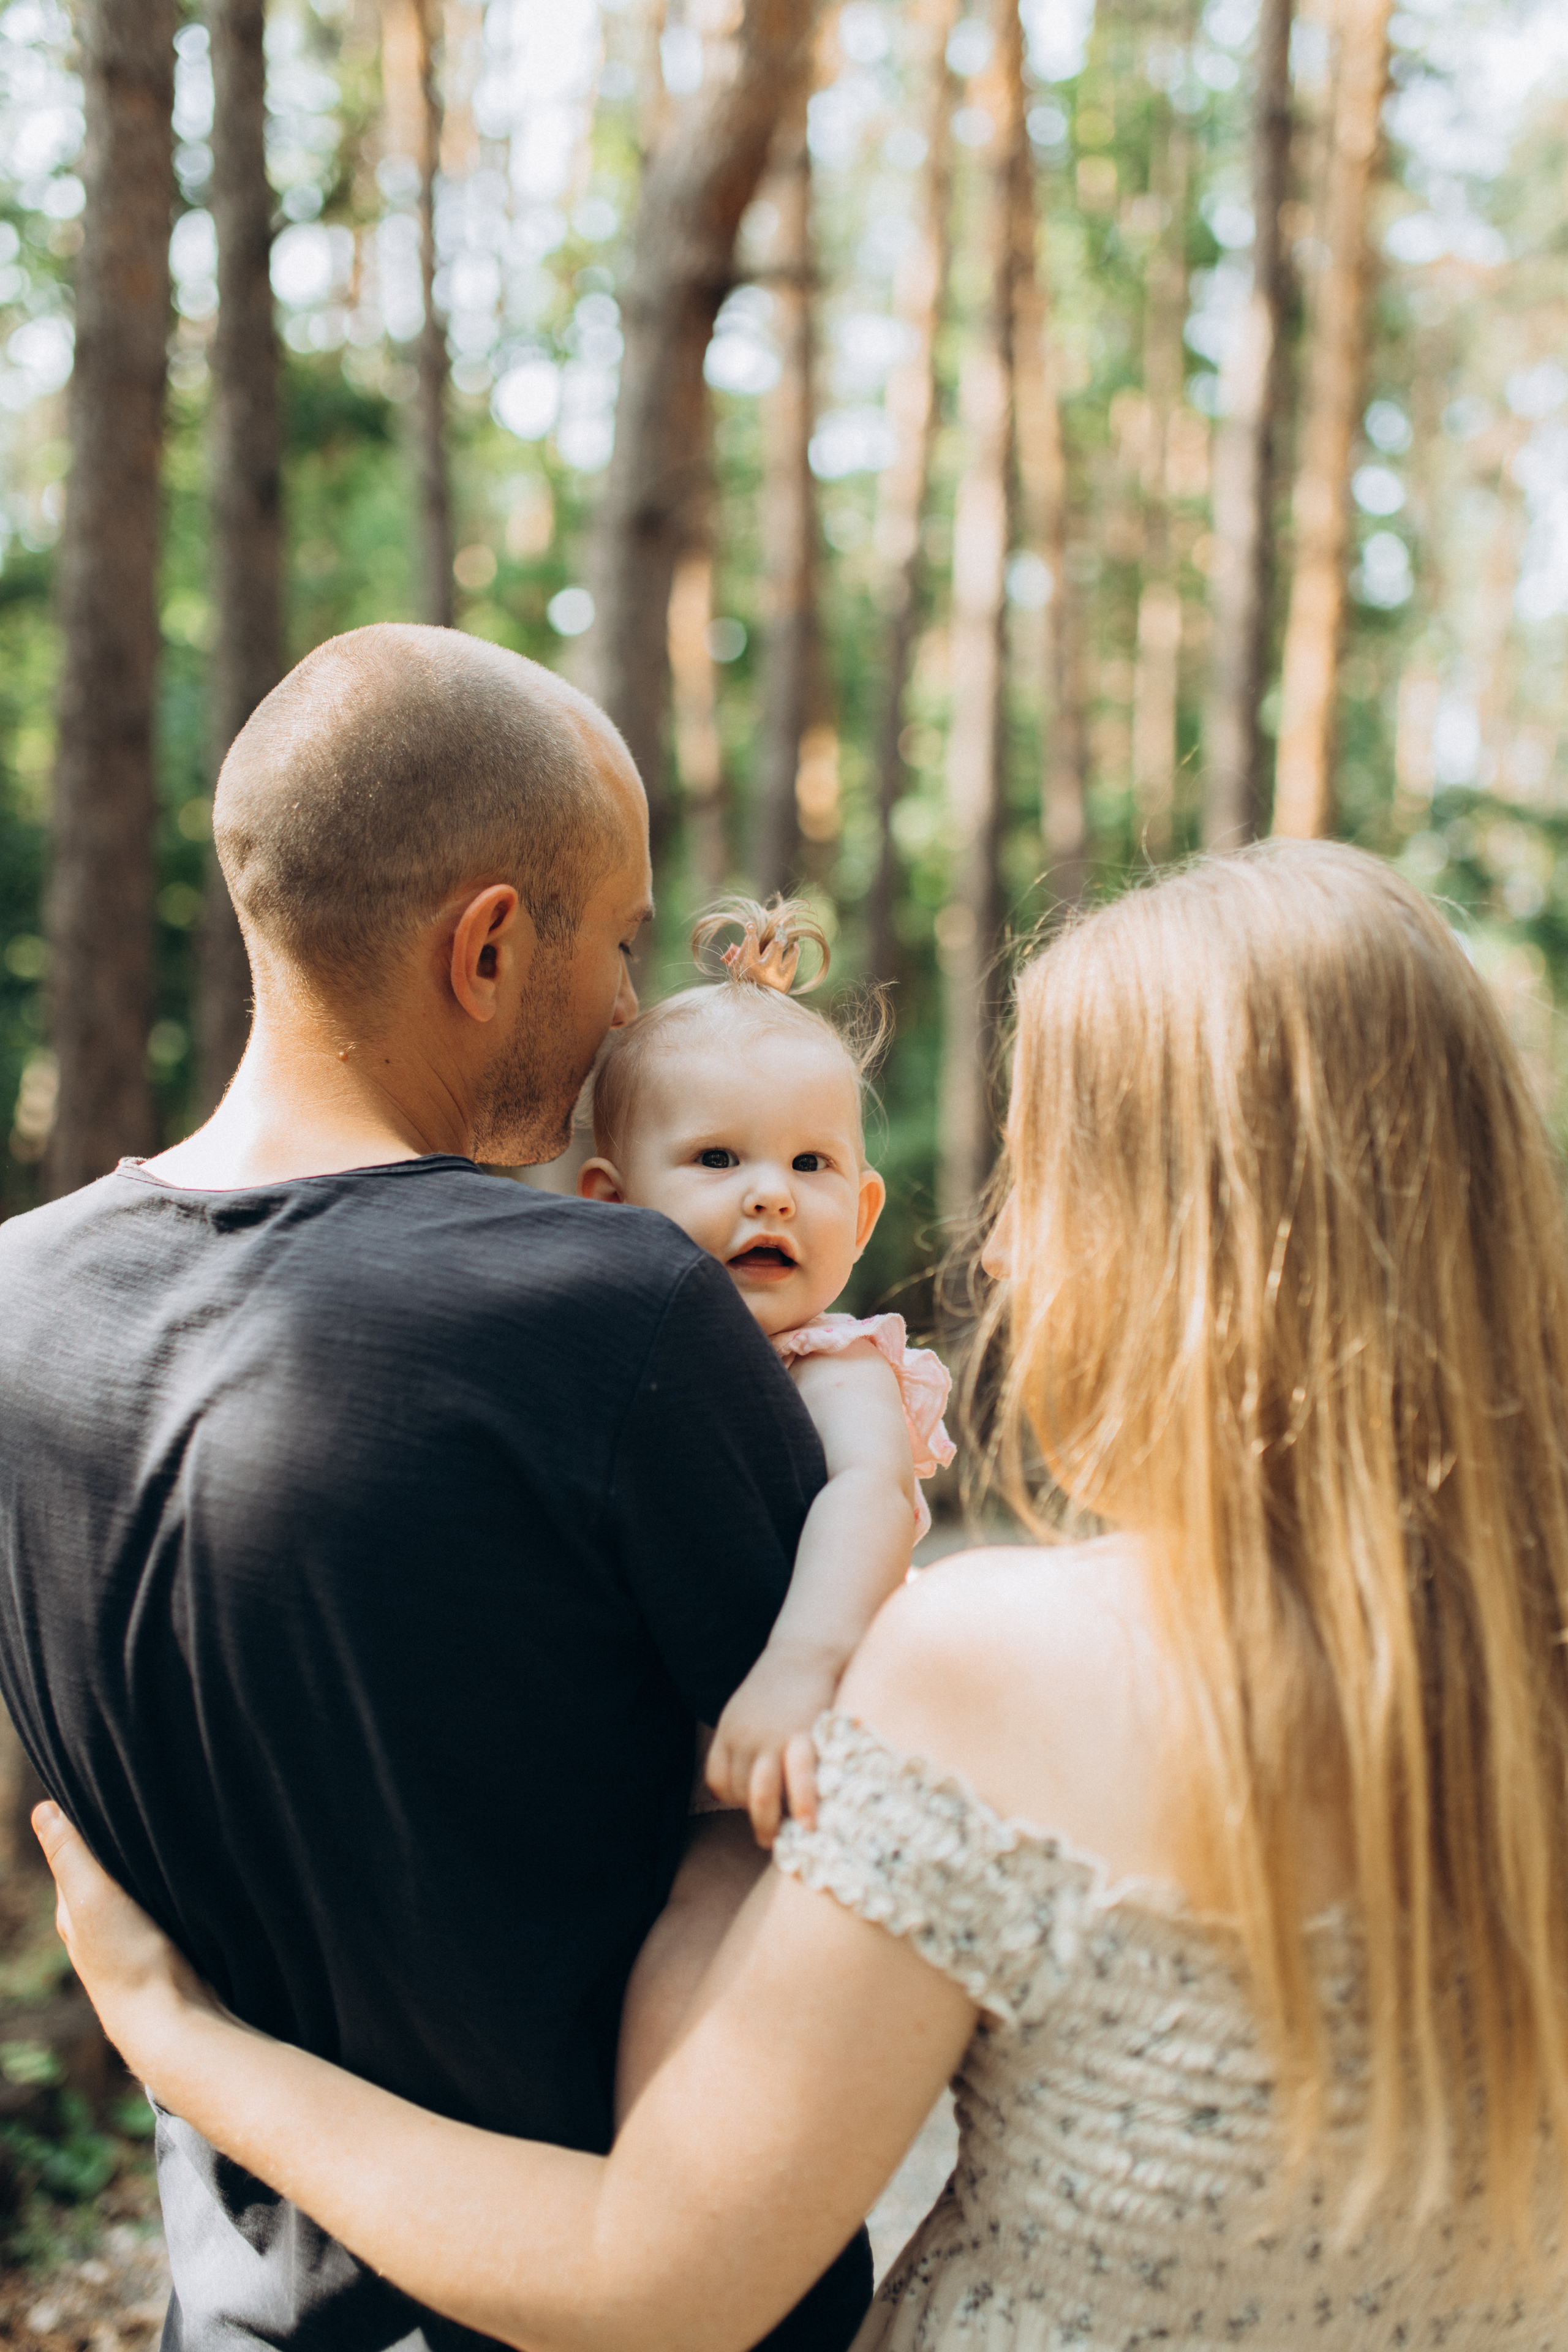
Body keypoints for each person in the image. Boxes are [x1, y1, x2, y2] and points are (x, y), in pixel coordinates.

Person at [39, 838, 1568, 2350]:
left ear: (1135, 1234)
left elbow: (656, 2280)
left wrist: (182, 2039)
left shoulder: (995, 1675)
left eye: (1036, 1172)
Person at [0, 624, 872, 2351]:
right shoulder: (617, 1312)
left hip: (236, 2311)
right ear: (488, 944)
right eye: (619, 939)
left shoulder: (16, 1299)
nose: (634, 1000)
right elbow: (833, 1824)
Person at [573, 895, 955, 2108]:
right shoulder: (603, 1356)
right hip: (647, 1752)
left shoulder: (838, 1365)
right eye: (717, 1160)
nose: (772, 1197)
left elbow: (871, 1495)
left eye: (809, 1165)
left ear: (865, 1209)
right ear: (603, 1200)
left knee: (706, 1930)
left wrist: (800, 1667)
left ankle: (657, 2184)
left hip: (787, 1760)